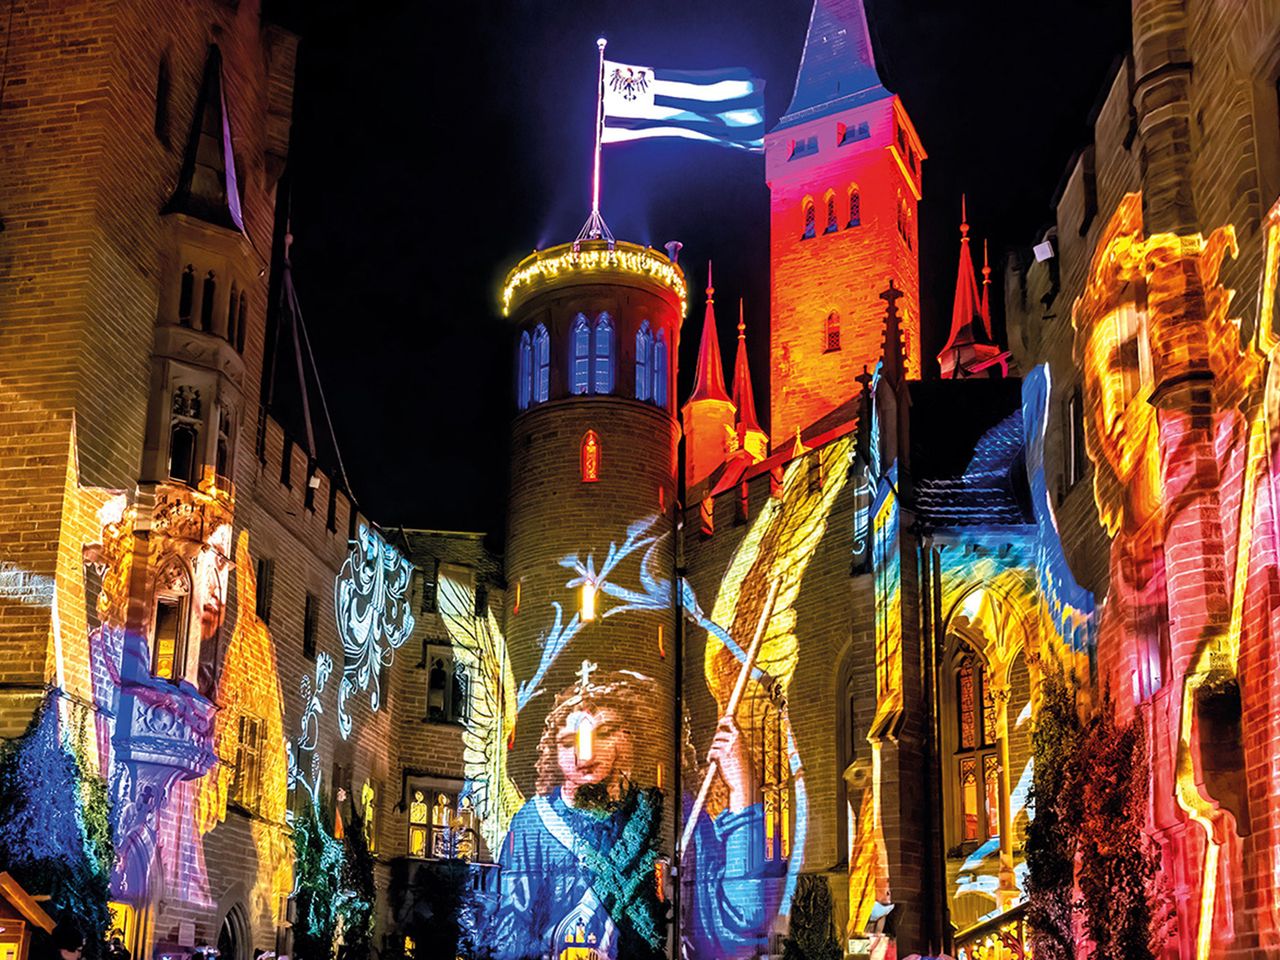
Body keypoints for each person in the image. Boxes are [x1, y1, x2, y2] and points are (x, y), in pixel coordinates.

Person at [493, 669, 769, 960]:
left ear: (633, 736)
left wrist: (741, 790)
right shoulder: (532, 825)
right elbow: (510, 937)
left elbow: (731, 934)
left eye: (604, 734)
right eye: (567, 742)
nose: (583, 757)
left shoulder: (675, 813)